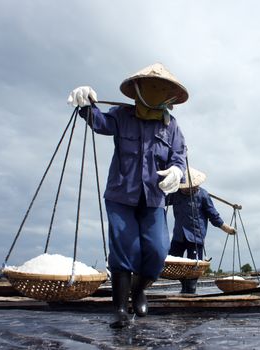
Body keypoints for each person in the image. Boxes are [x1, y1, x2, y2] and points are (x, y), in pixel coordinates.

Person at [67, 63, 188, 329]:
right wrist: (85, 105)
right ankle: (120, 307)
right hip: (121, 194)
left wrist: (177, 171)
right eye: (151, 88)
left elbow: (180, 155)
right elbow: (100, 123)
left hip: (154, 198)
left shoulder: (172, 127)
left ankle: (139, 289)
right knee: (125, 247)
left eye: (163, 90)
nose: (158, 93)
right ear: (138, 90)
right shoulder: (122, 116)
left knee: (157, 250)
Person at [168, 167, 236, 294]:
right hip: (178, 235)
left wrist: (226, 228)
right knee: (173, 261)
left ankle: (191, 290)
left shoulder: (203, 195)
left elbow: (213, 215)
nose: (193, 188)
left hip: (195, 235)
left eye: (195, 186)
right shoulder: (175, 194)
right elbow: (160, 200)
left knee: (195, 267)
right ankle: (184, 287)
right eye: (189, 187)